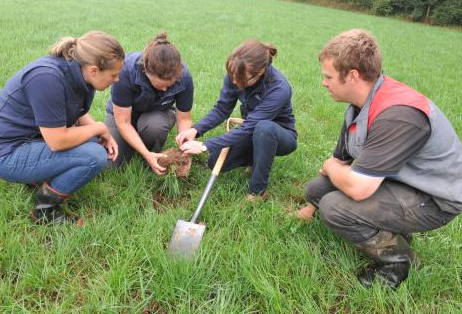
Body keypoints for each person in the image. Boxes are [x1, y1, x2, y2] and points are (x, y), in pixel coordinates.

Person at [295, 29, 462, 289]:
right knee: (317, 190)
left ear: (352, 75)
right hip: (399, 182)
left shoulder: (398, 115)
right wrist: (311, 204)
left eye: (328, 76)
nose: (323, 83)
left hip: (434, 200)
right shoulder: (361, 105)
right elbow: (340, 159)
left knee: (335, 207)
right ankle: (393, 230)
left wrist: (330, 167)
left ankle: (399, 261)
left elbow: (357, 187)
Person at [0, 31, 124, 225]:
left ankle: (37, 177)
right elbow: (57, 141)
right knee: (94, 156)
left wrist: (103, 134)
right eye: (114, 75)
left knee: (94, 142)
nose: (117, 80)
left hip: (31, 140)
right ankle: (45, 209)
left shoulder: (80, 75)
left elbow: (78, 112)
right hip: (3, 153)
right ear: (93, 70)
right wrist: (99, 127)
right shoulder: (47, 78)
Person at [178, 40, 297, 202]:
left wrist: (205, 145)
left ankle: (257, 192)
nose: (235, 82)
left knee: (264, 128)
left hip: (280, 135)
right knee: (214, 162)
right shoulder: (237, 73)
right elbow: (222, 109)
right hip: (253, 129)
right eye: (232, 76)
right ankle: (258, 157)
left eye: (242, 80)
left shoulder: (279, 88)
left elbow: (249, 126)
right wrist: (196, 130)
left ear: (261, 71)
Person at [104, 32, 194, 174]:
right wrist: (144, 153)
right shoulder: (125, 70)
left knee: (155, 126)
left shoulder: (184, 76)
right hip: (124, 117)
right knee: (111, 165)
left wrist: (185, 150)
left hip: (156, 114)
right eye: (160, 85)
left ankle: (153, 153)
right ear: (146, 72)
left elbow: (184, 118)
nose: (165, 89)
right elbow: (123, 122)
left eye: (170, 86)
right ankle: (142, 150)